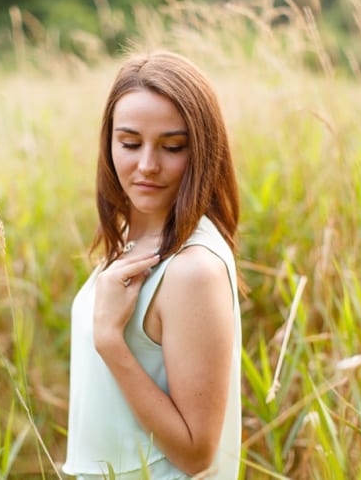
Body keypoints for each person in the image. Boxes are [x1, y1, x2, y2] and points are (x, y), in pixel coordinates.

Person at [63, 50, 242, 479]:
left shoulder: (192, 269)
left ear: (202, 150)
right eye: (129, 143)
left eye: (172, 147)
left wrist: (110, 339)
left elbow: (198, 453)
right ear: (109, 142)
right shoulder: (132, 238)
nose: (147, 165)